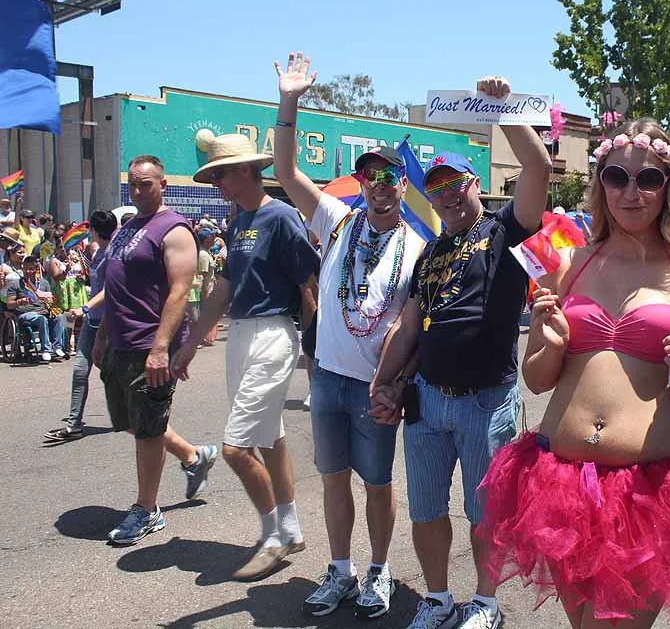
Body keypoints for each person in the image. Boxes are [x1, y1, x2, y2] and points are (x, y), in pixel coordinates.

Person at [476, 120, 670, 628]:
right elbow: (537, 379)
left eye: (647, 178)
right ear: (600, 184)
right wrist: (551, 343)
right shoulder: (566, 261)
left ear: (667, 186)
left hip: (648, 493)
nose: (631, 192)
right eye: (616, 177)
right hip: (561, 483)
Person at [370, 76, 551, 629]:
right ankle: (438, 599)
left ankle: (486, 603)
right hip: (426, 402)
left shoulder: (505, 231)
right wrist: (385, 382)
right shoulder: (431, 253)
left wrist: (503, 109)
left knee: (484, 512)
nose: (446, 194)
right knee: (426, 508)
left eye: (455, 183)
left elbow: (538, 168)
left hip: (485, 401)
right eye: (436, 187)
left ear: (475, 184)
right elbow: (410, 325)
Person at [270, 52, 426, 619]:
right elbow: (286, 170)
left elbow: (418, 329)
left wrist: (399, 383)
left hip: (374, 388)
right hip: (328, 380)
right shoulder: (336, 219)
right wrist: (289, 101)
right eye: (368, 176)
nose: (377, 185)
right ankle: (340, 569)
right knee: (333, 480)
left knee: (377, 485)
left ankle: (379, 571)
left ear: (402, 184)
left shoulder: (417, 248)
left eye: (387, 176)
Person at [172, 133, 317, 581]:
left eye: (220, 173)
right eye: (213, 175)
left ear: (245, 169)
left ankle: (273, 537)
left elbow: (308, 284)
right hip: (240, 336)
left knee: (235, 449)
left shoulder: (281, 217)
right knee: (270, 439)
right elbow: (224, 289)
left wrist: (317, 351)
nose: (216, 181)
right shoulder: (237, 223)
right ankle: (290, 528)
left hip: (274, 334)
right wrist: (190, 342)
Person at [93, 154, 218, 545]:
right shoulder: (128, 227)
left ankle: (146, 510)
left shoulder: (174, 229)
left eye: (145, 183)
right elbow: (115, 287)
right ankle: (194, 456)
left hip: (148, 344)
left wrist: (161, 347)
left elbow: (180, 291)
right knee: (132, 422)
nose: (137, 190)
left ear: (162, 184)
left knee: (147, 430)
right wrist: (101, 334)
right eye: (133, 183)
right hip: (119, 343)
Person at [44, 210, 118, 442]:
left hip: (109, 324)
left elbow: (109, 290)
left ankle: (135, 412)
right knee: (80, 371)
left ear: (94, 230)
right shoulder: (97, 252)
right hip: (92, 322)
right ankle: (74, 424)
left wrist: (84, 308)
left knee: (111, 373)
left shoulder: (113, 255)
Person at [3, 253, 65, 362]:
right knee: (41, 319)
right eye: (25, 269)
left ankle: (57, 347)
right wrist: (19, 302)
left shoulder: (44, 283)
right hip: (24, 314)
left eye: (30, 269)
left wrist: (50, 304)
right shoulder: (16, 285)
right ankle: (46, 349)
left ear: (36, 269)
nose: (28, 271)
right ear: (22, 268)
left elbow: (50, 300)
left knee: (59, 317)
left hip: (42, 311)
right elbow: (9, 304)